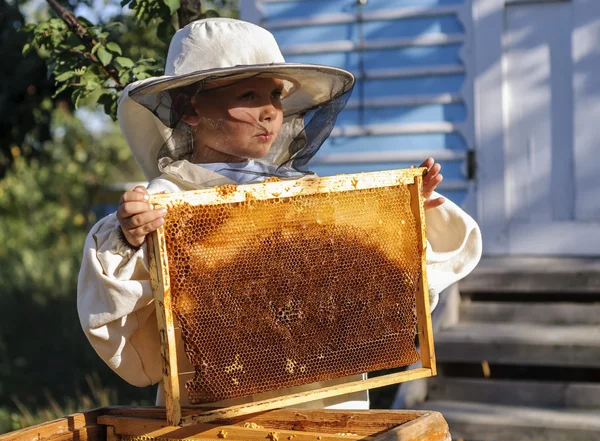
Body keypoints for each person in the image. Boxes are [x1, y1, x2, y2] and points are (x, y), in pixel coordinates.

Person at [77, 18, 482, 409]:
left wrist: (404, 222)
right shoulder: (165, 201)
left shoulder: (306, 196)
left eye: (275, 96)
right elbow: (121, 325)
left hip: (330, 402)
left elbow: (383, 290)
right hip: (223, 417)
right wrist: (130, 238)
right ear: (189, 109)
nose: (270, 111)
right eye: (249, 97)